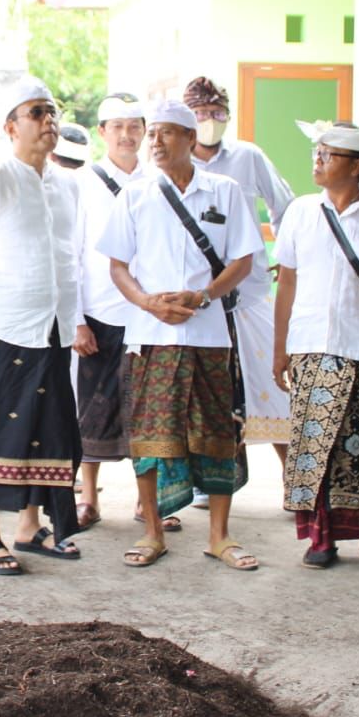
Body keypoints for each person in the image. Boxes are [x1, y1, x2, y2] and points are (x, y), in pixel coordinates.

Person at [97, 99, 262, 571]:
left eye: (167, 132)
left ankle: (219, 537)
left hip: (210, 336)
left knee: (217, 434)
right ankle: (153, 532)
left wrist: (205, 296)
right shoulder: (135, 195)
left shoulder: (225, 191)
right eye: (152, 133)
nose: (155, 141)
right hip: (151, 338)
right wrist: (148, 302)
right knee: (151, 438)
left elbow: (243, 260)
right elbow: (118, 266)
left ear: (191, 138)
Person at [0, 77, 84, 575]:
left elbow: (71, 257)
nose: (49, 120)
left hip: (55, 328)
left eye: (52, 111)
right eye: (36, 113)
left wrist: (75, 319)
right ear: (10, 128)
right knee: (0, 430)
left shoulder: (67, 185)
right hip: (8, 328)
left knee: (48, 429)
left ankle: (30, 527)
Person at [272, 120, 359, 572]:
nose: (317, 159)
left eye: (328, 154)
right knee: (316, 449)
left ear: (357, 166)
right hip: (310, 346)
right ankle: (322, 539)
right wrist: (280, 349)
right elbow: (287, 283)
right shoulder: (299, 213)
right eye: (317, 151)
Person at [184, 76, 296, 500]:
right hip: (197, 298)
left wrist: (285, 256)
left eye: (217, 113)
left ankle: (294, 480)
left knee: (271, 384)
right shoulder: (174, 162)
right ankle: (205, 482)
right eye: (200, 113)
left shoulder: (248, 157)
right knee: (204, 392)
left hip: (249, 292)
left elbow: (285, 205)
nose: (209, 120)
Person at [71, 93, 148, 531]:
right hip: (98, 312)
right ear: (102, 132)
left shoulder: (158, 180)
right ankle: (89, 498)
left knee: (147, 411)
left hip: (148, 314)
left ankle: (146, 500)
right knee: (92, 410)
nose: (126, 134)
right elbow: (70, 254)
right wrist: (77, 320)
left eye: (134, 126)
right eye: (116, 126)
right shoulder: (81, 183)